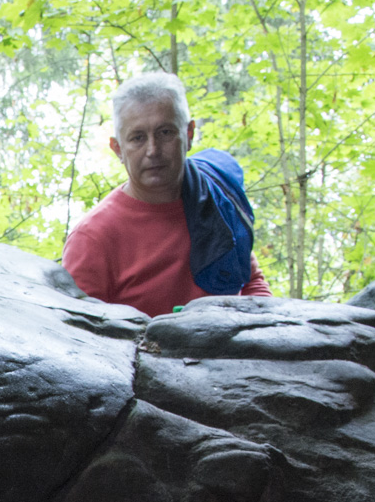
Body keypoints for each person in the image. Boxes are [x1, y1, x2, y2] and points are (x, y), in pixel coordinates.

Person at [62, 72, 271, 318]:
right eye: (138, 138)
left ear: (189, 134)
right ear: (118, 149)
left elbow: (251, 284)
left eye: (165, 133)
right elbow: (78, 330)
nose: (153, 150)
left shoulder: (215, 198)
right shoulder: (92, 239)